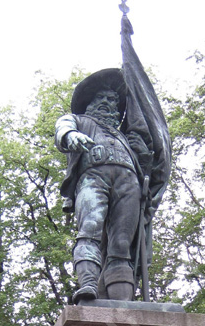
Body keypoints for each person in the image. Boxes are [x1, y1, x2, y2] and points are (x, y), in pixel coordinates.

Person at [55, 68, 152, 302]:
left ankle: (123, 304)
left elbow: (147, 161)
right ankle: (88, 284)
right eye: (103, 99)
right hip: (93, 178)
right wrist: (70, 136)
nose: (108, 103)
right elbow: (62, 128)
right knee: (90, 230)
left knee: (121, 244)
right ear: (91, 102)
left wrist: (143, 152)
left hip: (129, 184)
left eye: (113, 100)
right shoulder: (80, 121)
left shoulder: (124, 136)